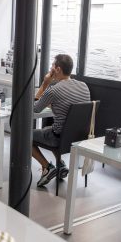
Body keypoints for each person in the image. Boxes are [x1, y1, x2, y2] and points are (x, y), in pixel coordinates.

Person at [32, 54, 91, 187]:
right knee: (51, 129)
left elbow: (35, 108)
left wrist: (45, 83)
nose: (51, 68)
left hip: (58, 137)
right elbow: (67, 105)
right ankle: (61, 164)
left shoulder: (53, 90)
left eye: (52, 65)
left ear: (57, 69)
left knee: (24, 135)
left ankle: (47, 168)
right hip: (77, 137)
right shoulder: (84, 86)